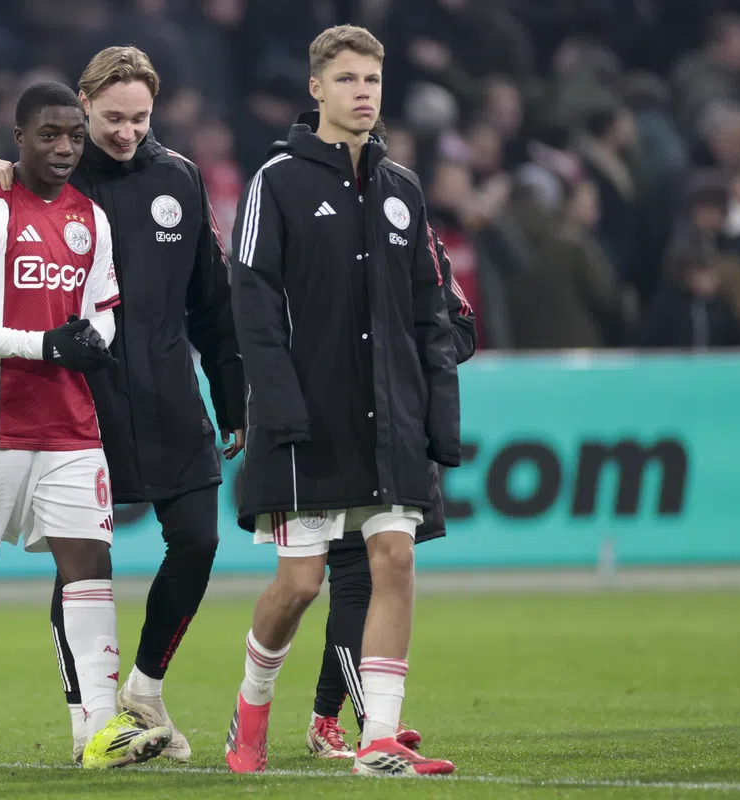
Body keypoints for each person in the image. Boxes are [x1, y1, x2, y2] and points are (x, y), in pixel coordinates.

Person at [0, 46, 245, 764]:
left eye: (140, 118)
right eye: (112, 118)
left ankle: (145, 685)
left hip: (170, 397)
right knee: (80, 561)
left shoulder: (180, 179)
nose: (127, 131)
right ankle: (89, 720)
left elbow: (212, 302)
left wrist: (232, 398)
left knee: (198, 540)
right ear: (82, 107)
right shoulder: (45, 176)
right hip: (83, 399)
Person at [225, 25, 460, 778]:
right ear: (316, 88)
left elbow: (430, 314)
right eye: (349, 79)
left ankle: (378, 737)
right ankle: (252, 705)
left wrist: (436, 415)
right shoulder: (276, 182)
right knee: (299, 584)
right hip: (307, 424)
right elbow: (251, 304)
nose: (364, 92)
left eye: (373, 80)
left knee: (395, 559)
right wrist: (279, 407)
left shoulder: (403, 189)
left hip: (388, 419)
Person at [0, 81, 171, 771]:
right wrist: (42, 346)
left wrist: (91, 340)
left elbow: (102, 309)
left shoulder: (92, 218)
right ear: (19, 139)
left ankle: (100, 728)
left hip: (70, 424)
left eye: (73, 136)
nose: (64, 147)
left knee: (90, 566)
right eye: (49, 135)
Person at [306, 228, 475, 760]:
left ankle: (333, 717)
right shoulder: (309, 222)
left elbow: (462, 327)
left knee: (379, 576)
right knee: (352, 578)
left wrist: (400, 357)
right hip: (334, 430)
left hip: (398, 431)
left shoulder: (415, 231)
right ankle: (372, 722)